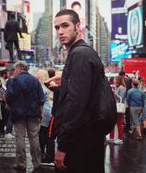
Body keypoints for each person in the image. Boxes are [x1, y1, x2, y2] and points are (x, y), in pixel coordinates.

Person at [53, 9, 105, 173]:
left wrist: (63, 146)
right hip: (87, 139)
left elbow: (76, 105)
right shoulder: (84, 52)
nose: (60, 31)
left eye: (65, 25)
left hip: (80, 142)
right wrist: (62, 87)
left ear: (78, 27)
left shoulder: (79, 54)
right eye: (56, 28)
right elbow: (85, 94)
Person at [6, 61, 44, 172]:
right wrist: (40, 113)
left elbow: (9, 97)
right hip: (33, 113)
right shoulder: (35, 80)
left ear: (18, 69)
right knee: (34, 138)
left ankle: (21, 163)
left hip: (18, 114)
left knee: (20, 138)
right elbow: (41, 98)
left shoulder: (12, 81)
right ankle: (37, 163)